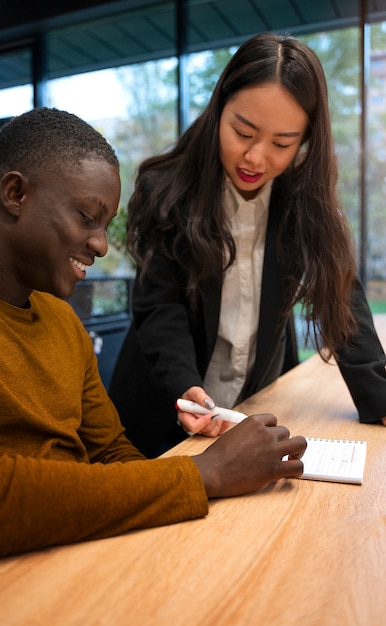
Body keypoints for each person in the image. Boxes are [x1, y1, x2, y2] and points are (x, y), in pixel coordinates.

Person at [0, 107, 307, 574]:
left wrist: (200, 496)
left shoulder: (63, 323)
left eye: (104, 225)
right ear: (15, 193)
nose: (101, 244)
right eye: (87, 217)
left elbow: (112, 455)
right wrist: (204, 474)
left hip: (82, 557)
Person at [109, 32, 386, 458]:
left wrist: (379, 396)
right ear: (220, 107)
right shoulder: (165, 189)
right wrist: (186, 388)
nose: (256, 158)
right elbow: (160, 308)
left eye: (281, 144)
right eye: (243, 132)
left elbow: (340, 290)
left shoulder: (300, 196)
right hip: (163, 406)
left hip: (254, 402)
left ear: (305, 140)